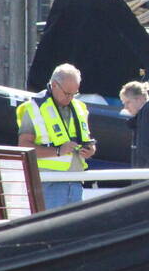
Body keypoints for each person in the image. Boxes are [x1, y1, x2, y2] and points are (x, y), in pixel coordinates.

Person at [17, 63, 96, 209]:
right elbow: (23, 146)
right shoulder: (34, 108)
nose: (71, 98)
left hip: (76, 181)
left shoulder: (80, 108)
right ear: (54, 85)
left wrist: (90, 150)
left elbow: (87, 139)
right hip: (49, 182)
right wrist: (58, 151)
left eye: (74, 94)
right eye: (67, 93)